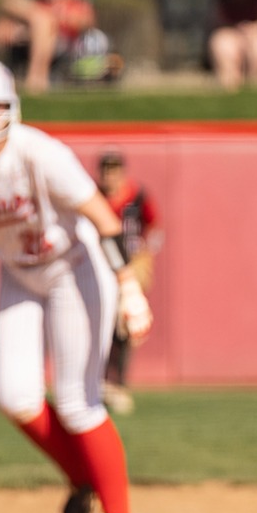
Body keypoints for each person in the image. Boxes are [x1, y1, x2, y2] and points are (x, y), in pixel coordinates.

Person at [0, 57, 154, 513]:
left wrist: (128, 286)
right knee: (16, 398)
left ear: (12, 106)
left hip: (75, 267)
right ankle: (83, 483)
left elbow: (102, 217)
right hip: (18, 273)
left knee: (79, 401)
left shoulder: (39, 153)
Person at [96, 148, 162, 415]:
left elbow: (154, 227)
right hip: (100, 266)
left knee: (123, 327)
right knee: (100, 325)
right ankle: (99, 383)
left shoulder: (138, 196)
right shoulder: (94, 197)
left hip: (129, 266)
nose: (110, 176)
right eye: (106, 171)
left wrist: (147, 254)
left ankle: (118, 385)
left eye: (114, 170)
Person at [0, 0, 97, 92]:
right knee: (40, 20)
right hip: (30, 40)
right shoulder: (38, 6)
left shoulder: (77, 5)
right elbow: (6, 1)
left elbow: (85, 22)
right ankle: (37, 81)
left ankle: (35, 81)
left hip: (66, 45)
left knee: (43, 22)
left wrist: (53, 16)